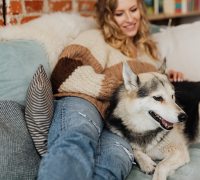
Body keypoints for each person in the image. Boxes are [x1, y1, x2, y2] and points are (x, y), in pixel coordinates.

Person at [36, 0, 192, 179]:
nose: (129, 18)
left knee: (115, 161)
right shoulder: (95, 37)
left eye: (133, 10)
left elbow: (149, 93)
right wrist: (118, 90)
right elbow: (63, 74)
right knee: (77, 140)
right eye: (119, 13)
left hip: (118, 124)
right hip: (85, 103)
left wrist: (166, 77)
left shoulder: (146, 50)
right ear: (108, 17)